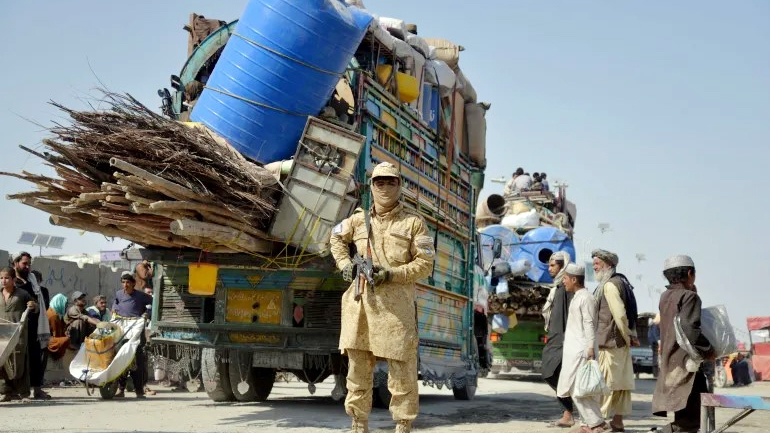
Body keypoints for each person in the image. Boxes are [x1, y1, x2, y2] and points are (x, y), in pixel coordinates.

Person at [329, 161, 434, 433]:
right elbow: (335, 237)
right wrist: (345, 265)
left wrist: (391, 274)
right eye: (379, 182)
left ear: (400, 185)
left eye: (390, 182)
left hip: (396, 310)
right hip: (361, 307)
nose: (385, 187)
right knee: (358, 371)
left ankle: (403, 424)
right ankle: (358, 424)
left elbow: (425, 264)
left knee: (402, 370)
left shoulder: (413, 223)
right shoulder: (358, 220)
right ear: (372, 186)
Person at [652, 255, 715, 433]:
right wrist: (708, 350)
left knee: (683, 415)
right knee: (690, 422)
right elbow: (689, 327)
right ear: (689, 273)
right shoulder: (689, 297)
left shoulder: (665, 296)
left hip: (670, 362)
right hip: (688, 365)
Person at [557, 264, 607, 433]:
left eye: (565, 278)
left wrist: (590, 347)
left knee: (578, 388)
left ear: (574, 279)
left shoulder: (586, 298)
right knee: (580, 388)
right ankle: (587, 424)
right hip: (574, 350)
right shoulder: (578, 297)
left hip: (582, 350)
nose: (563, 282)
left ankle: (596, 423)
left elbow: (589, 324)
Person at [592, 249, 637, 432]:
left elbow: (620, 315)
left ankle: (599, 423)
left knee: (606, 384)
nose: (594, 267)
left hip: (610, 344)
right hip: (619, 343)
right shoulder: (621, 282)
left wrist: (628, 336)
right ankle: (617, 422)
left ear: (608, 265)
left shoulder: (610, 286)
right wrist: (630, 337)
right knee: (621, 384)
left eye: (597, 263)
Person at [541, 251, 576, 427]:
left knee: (553, 372)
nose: (549, 268)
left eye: (553, 265)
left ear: (562, 266)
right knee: (552, 373)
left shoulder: (565, 288)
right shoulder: (558, 287)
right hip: (555, 337)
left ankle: (569, 413)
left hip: (562, 339)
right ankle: (568, 412)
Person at [13, 252, 51, 400]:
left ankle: (37, 389)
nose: (27, 267)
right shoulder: (11, 281)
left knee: (35, 358)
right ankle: (14, 390)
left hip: (34, 325)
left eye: (29, 264)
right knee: (16, 359)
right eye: (24, 263)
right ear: (15, 263)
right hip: (16, 325)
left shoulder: (32, 281)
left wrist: (35, 305)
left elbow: (41, 303)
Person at [112, 272, 153, 398]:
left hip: (136, 331)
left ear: (133, 283)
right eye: (123, 282)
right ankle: (121, 389)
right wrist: (114, 311)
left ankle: (139, 390)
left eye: (128, 282)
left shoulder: (141, 296)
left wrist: (147, 313)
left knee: (137, 362)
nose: (125, 285)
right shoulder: (119, 294)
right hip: (122, 331)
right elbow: (115, 305)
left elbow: (153, 304)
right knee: (121, 359)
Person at [0, 267, 37, 402]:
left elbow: (35, 306)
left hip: (18, 332)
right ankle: (6, 392)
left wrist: (33, 305)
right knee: (3, 361)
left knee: (19, 361)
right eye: (1, 278)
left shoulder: (22, 294)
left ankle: (23, 392)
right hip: (1, 333)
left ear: (13, 279)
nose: (3, 281)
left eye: (7, 278)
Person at [46, 293, 72, 367]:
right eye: (65, 304)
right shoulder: (53, 315)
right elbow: (56, 334)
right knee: (66, 340)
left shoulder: (52, 311)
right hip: (47, 341)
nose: (66, 306)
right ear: (59, 303)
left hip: (48, 338)